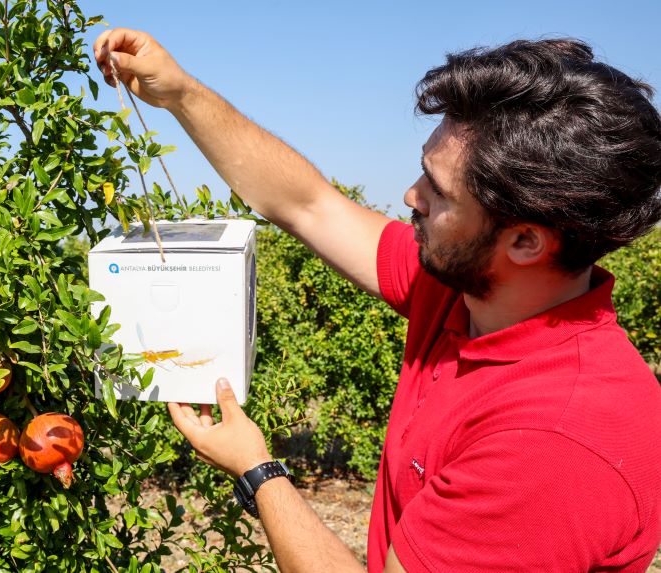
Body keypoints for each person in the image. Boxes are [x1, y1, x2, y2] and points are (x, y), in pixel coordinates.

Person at [93, 30, 661, 572]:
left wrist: (257, 470)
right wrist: (181, 92)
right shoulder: (464, 287)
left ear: (526, 240)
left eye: (437, 192)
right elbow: (308, 205)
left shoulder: (553, 445)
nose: (409, 196)